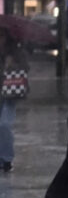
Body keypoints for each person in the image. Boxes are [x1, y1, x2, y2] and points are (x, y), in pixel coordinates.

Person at [0, 27, 29, 173]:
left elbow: (25, 68)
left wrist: (11, 65)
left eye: (2, 35)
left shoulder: (15, 52)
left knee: (4, 124)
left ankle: (6, 159)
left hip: (10, 93)